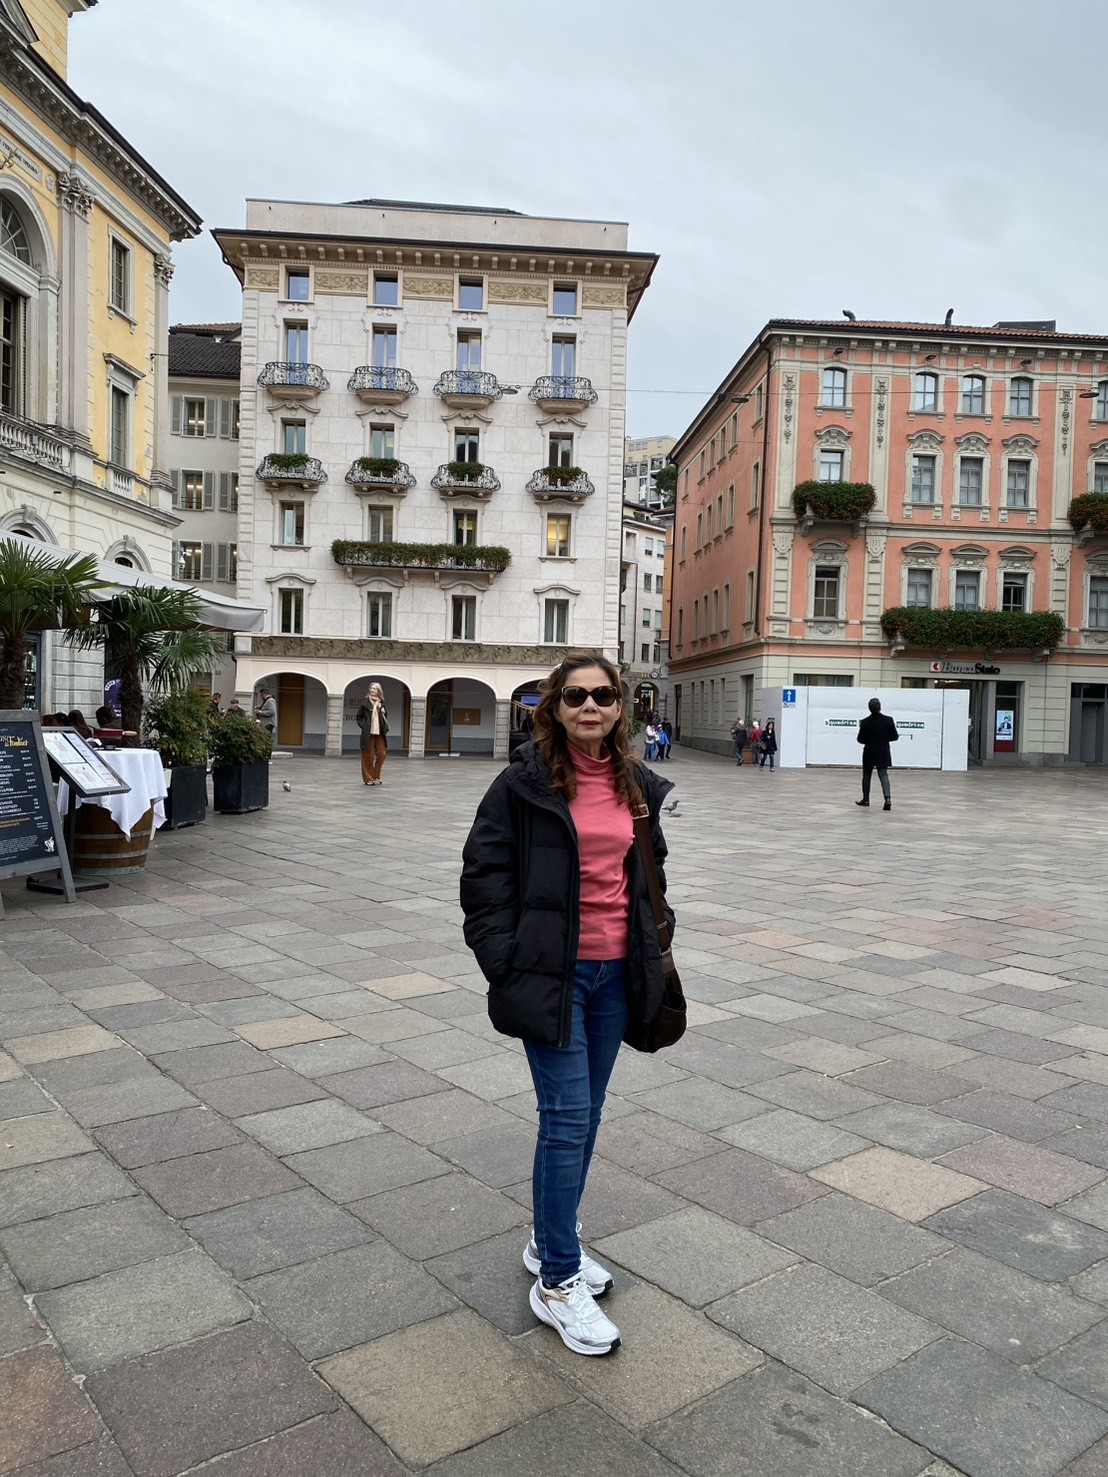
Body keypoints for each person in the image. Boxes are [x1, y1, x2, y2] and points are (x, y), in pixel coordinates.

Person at [460, 652, 674, 1357]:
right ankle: (556, 1280)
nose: (591, 707)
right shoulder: (522, 783)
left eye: (604, 695)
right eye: (576, 695)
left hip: (617, 974)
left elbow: (650, 870)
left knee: (587, 1114)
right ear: (555, 706)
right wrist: (506, 961)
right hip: (551, 975)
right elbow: (482, 877)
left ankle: (549, 1240)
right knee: (567, 1117)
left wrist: (653, 939)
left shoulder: (635, 782)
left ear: (620, 707)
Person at [856, 696, 898, 810]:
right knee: (883, 775)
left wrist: (870, 740)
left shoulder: (865, 722)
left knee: (866, 775)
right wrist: (883, 739)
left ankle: (866, 799)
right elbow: (895, 736)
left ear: (869, 708)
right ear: (880, 707)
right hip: (883, 751)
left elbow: (860, 739)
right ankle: (887, 799)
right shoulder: (888, 720)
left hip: (869, 751)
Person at [355, 682, 389, 785]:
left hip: (379, 732)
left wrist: (382, 712)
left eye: (375, 688)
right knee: (367, 755)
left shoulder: (381, 703)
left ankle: (376, 776)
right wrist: (364, 726)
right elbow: (358, 717)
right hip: (368, 733)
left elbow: (384, 718)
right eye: (371, 688)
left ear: (379, 691)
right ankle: (368, 778)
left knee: (382, 754)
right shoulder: (365, 704)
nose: (372, 690)